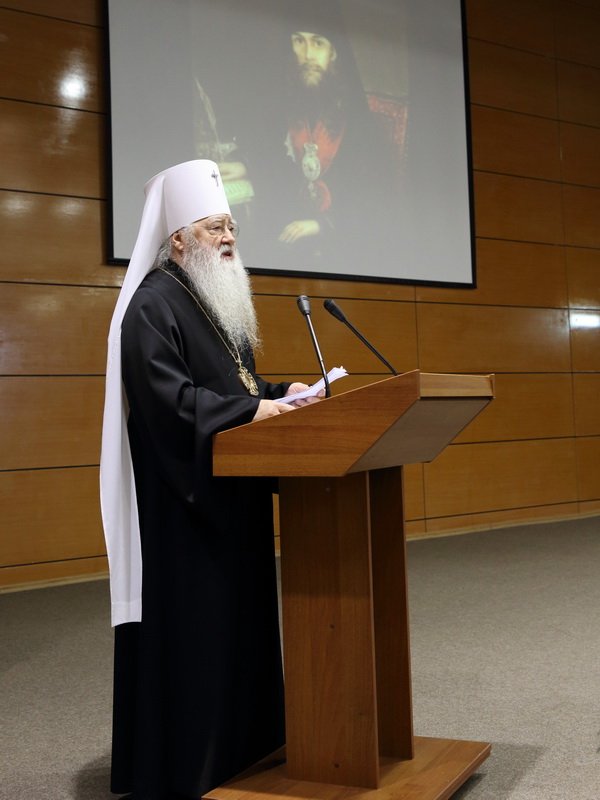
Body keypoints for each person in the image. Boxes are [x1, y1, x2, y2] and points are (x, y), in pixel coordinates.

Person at [100, 159, 318, 799]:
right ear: (177, 239)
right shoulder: (151, 305)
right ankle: (192, 766)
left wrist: (284, 392)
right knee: (199, 639)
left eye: (231, 227)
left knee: (239, 634)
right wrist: (253, 411)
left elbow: (236, 385)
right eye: (214, 227)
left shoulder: (215, 297)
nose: (228, 239)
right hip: (184, 508)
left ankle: (247, 748)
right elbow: (170, 402)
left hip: (232, 499)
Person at [214, 1, 398, 270]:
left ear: (334, 53)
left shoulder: (361, 125)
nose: (308, 54)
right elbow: (276, 161)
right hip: (289, 241)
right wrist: (246, 166)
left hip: (345, 252)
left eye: (318, 43)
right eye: (299, 41)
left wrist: (322, 225)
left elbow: (374, 201)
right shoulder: (289, 105)